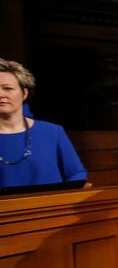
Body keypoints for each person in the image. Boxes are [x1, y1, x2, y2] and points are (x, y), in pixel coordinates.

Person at [0, 58, 87, 188]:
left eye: (8, 88)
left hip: (51, 206)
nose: (1, 94)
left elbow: (76, 174)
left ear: (24, 93)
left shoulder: (53, 132)